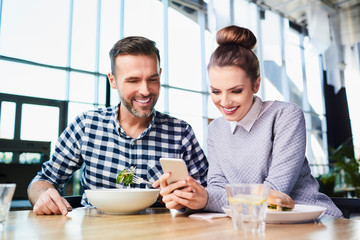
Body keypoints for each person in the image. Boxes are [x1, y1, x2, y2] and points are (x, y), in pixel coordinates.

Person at [159, 25, 343, 217]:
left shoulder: (285, 115)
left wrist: (208, 199)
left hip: (312, 221)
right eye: (215, 91)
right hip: (250, 223)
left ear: (256, 84)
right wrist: (188, 199)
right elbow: (217, 187)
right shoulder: (216, 129)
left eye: (236, 91)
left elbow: (274, 194)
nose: (224, 102)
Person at [27, 36, 208, 216]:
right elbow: (42, 181)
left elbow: (207, 194)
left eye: (153, 79)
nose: (145, 90)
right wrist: (43, 195)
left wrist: (196, 199)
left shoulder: (180, 133)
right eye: (133, 81)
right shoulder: (86, 126)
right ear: (112, 81)